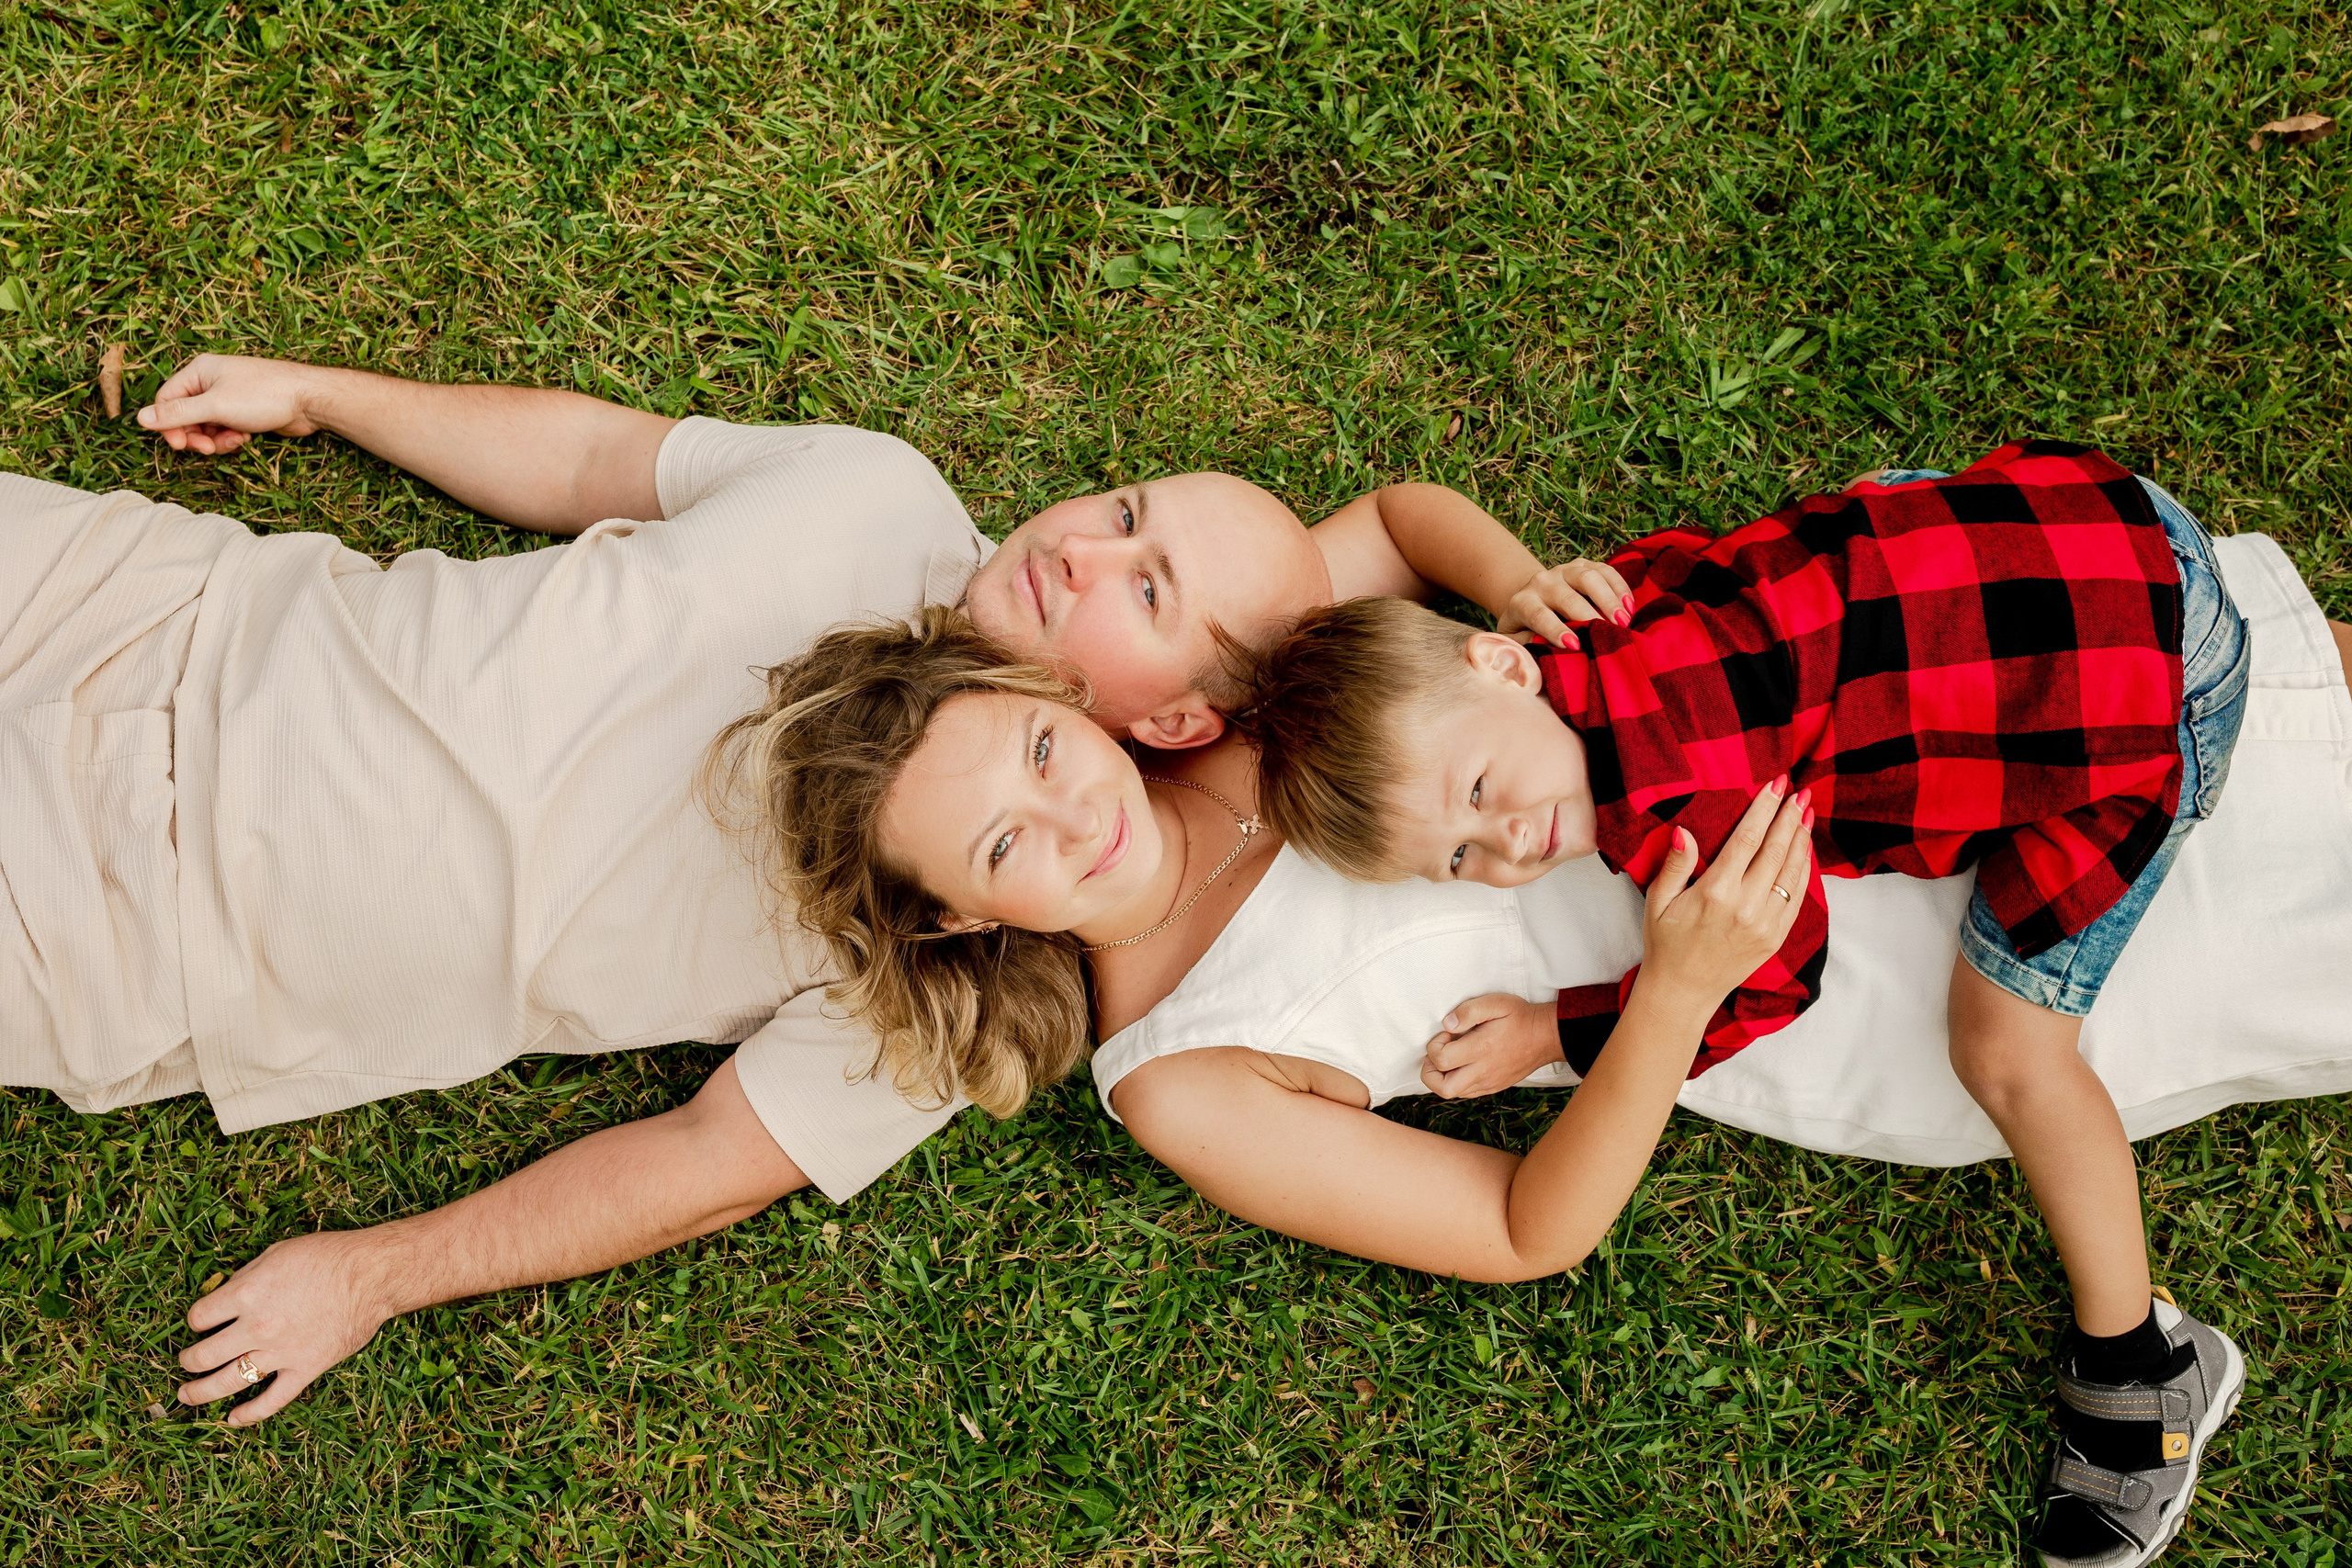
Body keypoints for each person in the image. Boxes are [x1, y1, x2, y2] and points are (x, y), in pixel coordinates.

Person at [741, 490, 2352, 1568]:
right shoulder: (1180, 1075)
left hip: (1897, 699)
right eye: (1003, 844)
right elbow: (1527, 1227)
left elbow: (1385, 518)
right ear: (962, 914)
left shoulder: (1235, 714)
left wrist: (1513, 579)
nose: (1067, 807)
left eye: (1039, 745)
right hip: (1827, 999)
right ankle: (2147, 1365)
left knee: (2295, 710)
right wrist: (1672, 988)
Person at [2, 351, 1588, 1427]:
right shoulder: (875, 495)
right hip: (169, 609)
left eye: (1149, 590)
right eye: (1123, 513)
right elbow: (591, 456)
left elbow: (704, 1155)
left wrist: (379, 1271)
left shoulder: (964, 950)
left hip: (144, 929)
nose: (1085, 554)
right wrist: (330, 392)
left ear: (1173, 723)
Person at [1220, 445, 2257, 1568]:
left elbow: (1772, 971)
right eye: (1461, 858)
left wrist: (1552, 1029)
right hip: (2076, 515)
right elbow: (1428, 518)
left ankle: (2144, 1368)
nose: (1512, 842)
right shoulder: (1594, 605)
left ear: (1502, 670)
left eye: (1476, 795)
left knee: (2008, 1052)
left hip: (2151, 672)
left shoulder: (1681, 816)